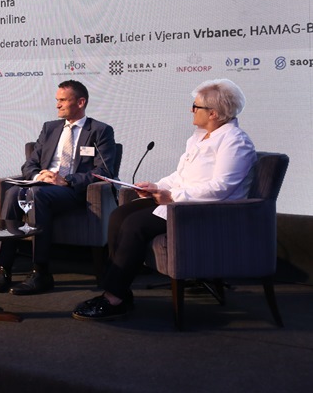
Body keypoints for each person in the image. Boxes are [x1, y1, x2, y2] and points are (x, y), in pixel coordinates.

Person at [72, 79, 256, 321]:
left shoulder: (235, 141)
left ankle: (113, 297)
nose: (191, 110)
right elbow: (181, 175)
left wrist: (173, 196)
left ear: (213, 113)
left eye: (196, 106)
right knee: (119, 215)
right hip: (182, 202)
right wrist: (157, 187)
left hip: (206, 211)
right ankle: (121, 291)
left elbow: (221, 188)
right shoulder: (200, 137)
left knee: (135, 225)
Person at [0, 80, 116, 295]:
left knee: (37, 195)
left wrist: (67, 180)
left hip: (73, 191)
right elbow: (30, 164)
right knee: (12, 193)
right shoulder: (50, 128)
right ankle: (4, 268)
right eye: (57, 100)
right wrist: (40, 175)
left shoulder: (99, 130)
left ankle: (40, 272)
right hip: (42, 184)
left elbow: (104, 171)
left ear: (80, 102)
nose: (57, 105)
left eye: (63, 100)